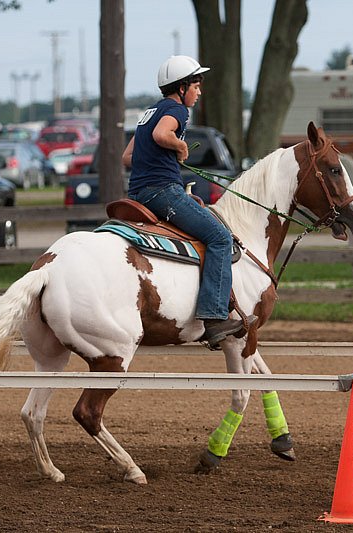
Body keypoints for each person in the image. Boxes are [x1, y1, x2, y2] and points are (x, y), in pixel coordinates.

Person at [122, 55, 255, 347]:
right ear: (181, 87)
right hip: (163, 192)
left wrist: (161, 158)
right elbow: (162, 134)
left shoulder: (150, 111)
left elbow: (128, 157)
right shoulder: (177, 110)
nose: (199, 91)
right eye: (196, 84)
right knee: (220, 237)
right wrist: (180, 146)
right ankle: (215, 317)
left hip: (138, 193)